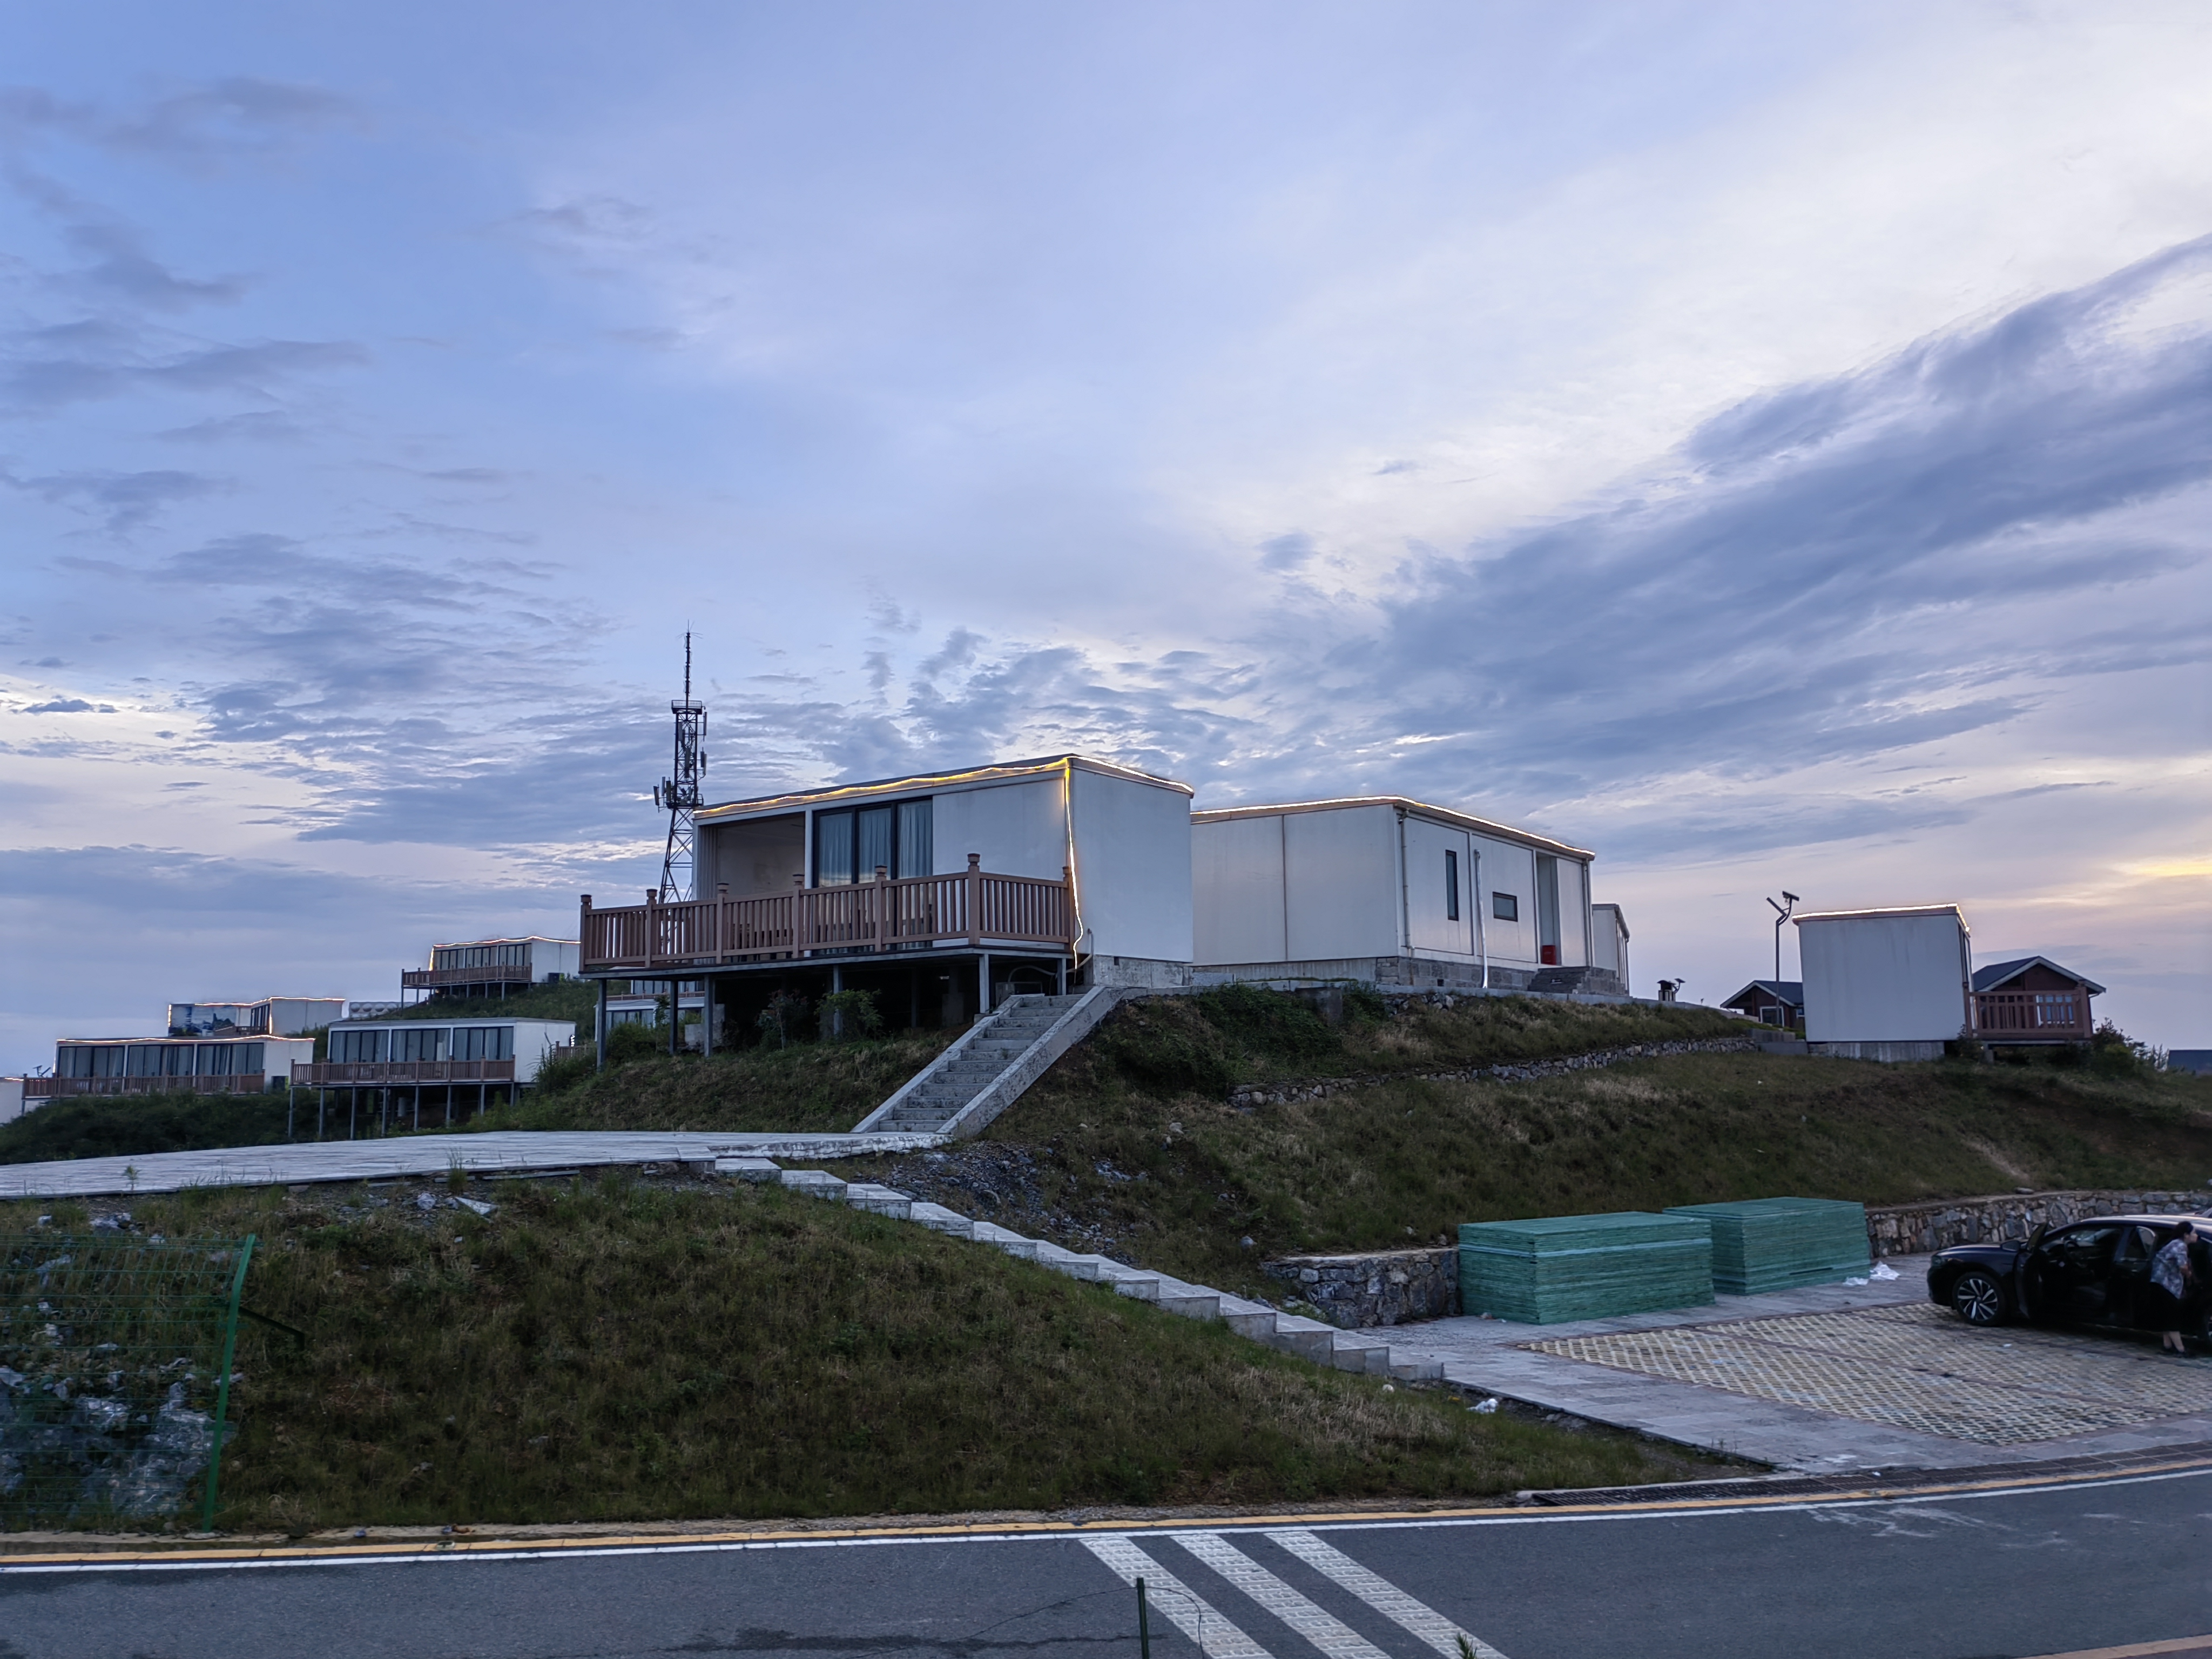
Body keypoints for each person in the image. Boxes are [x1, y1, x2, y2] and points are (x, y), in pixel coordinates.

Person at [2149, 1225, 2196, 1354]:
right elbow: (2183, 1267)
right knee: (2172, 1317)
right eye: (2194, 1233)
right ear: (2186, 1235)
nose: (2196, 1236)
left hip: (2160, 1282)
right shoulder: (2180, 1246)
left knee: (2167, 1315)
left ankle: (2168, 1346)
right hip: (2167, 1284)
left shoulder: (2174, 1243)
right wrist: (2190, 1275)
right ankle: (2181, 1349)